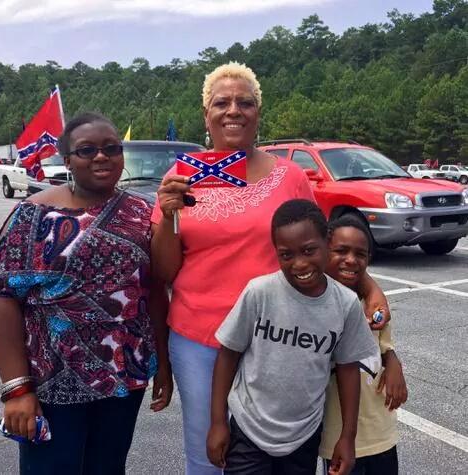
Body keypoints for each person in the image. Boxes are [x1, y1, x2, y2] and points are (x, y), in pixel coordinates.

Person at [151, 62, 389, 475]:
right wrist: (170, 214)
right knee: (208, 455)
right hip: (201, 336)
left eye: (245, 102)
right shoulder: (179, 178)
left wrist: (368, 287)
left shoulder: (289, 176)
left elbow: (322, 249)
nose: (233, 110)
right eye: (221, 103)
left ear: (258, 112)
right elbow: (165, 271)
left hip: (280, 339)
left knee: (275, 455)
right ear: (205, 114)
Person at [0, 112, 173, 475]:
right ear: (68, 159)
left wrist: (163, 365)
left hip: (124, 381)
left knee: (108, 468)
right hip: (50, 386)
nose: (101, 156)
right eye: (87, 150)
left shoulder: (142, 212)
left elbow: (153, 289)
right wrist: (16, 388)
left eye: (111, 148)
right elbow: (0, 297)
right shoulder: (33, 215)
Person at [207, 199, 378, 474]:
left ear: (327, 242)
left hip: (303, 435)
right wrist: (217, 422)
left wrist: (347, 437)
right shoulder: (259, 293)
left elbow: (348, 369)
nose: (299, 264)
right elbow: (228, 354)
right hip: (248, 427)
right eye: (286, 255)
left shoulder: (345, 304)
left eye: (309, 250)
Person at [319, 215, 408, 475]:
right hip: (337, 437)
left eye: (360, 253)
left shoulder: (372, 305)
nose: (350, 259)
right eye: (341, 250)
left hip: (381, 432)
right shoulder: (315, 305)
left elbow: (383, 345)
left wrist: (392, 359)